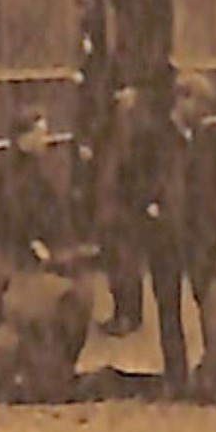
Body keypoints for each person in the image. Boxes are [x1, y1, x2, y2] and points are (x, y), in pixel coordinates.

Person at [0, 107, 93, 404]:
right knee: (3, 306)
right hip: (14, 249)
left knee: (2, 308)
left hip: (18, 247)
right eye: (40, 133)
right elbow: (14, 214)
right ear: (23, 140)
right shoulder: (12, 176)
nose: (45, 140)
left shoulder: (30, 171)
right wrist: (36, 243)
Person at [129, 71, 216, 395]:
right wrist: (149, 208)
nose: (206, 114)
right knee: (168, 307)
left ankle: (215, 369)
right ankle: (176, 376)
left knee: (209, 302)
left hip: (200, 235)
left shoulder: (208, 141)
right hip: (165, 235)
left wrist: (215, 225)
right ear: (182, 99)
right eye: (202, 105)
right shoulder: (151, 138)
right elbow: (132, 180)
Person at [92, 85, 145, 337]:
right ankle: (126, 314)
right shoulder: (119, 135)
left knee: (122, 261)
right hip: (114, 204)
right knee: (120, 260)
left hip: (119, 207)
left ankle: (128, 315)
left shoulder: (125, 136)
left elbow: (124, 171)